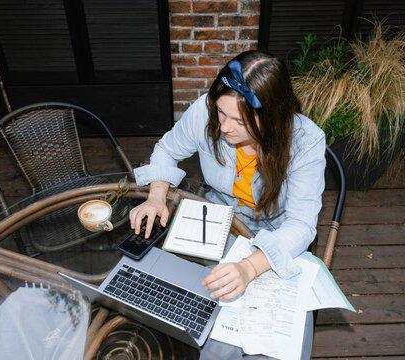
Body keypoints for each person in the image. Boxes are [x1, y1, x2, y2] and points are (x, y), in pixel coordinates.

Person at [129, 50, 326, 359]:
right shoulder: (204, 112)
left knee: (272, 337)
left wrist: (249, 268)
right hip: (218, 220)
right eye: (221, 113)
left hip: (277, 234)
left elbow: (301, 226)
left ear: (273, 117)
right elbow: (167, 149)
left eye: (240, 121)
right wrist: (156, 196)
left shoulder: (306, 141)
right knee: (213, 324)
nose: (224, 128)